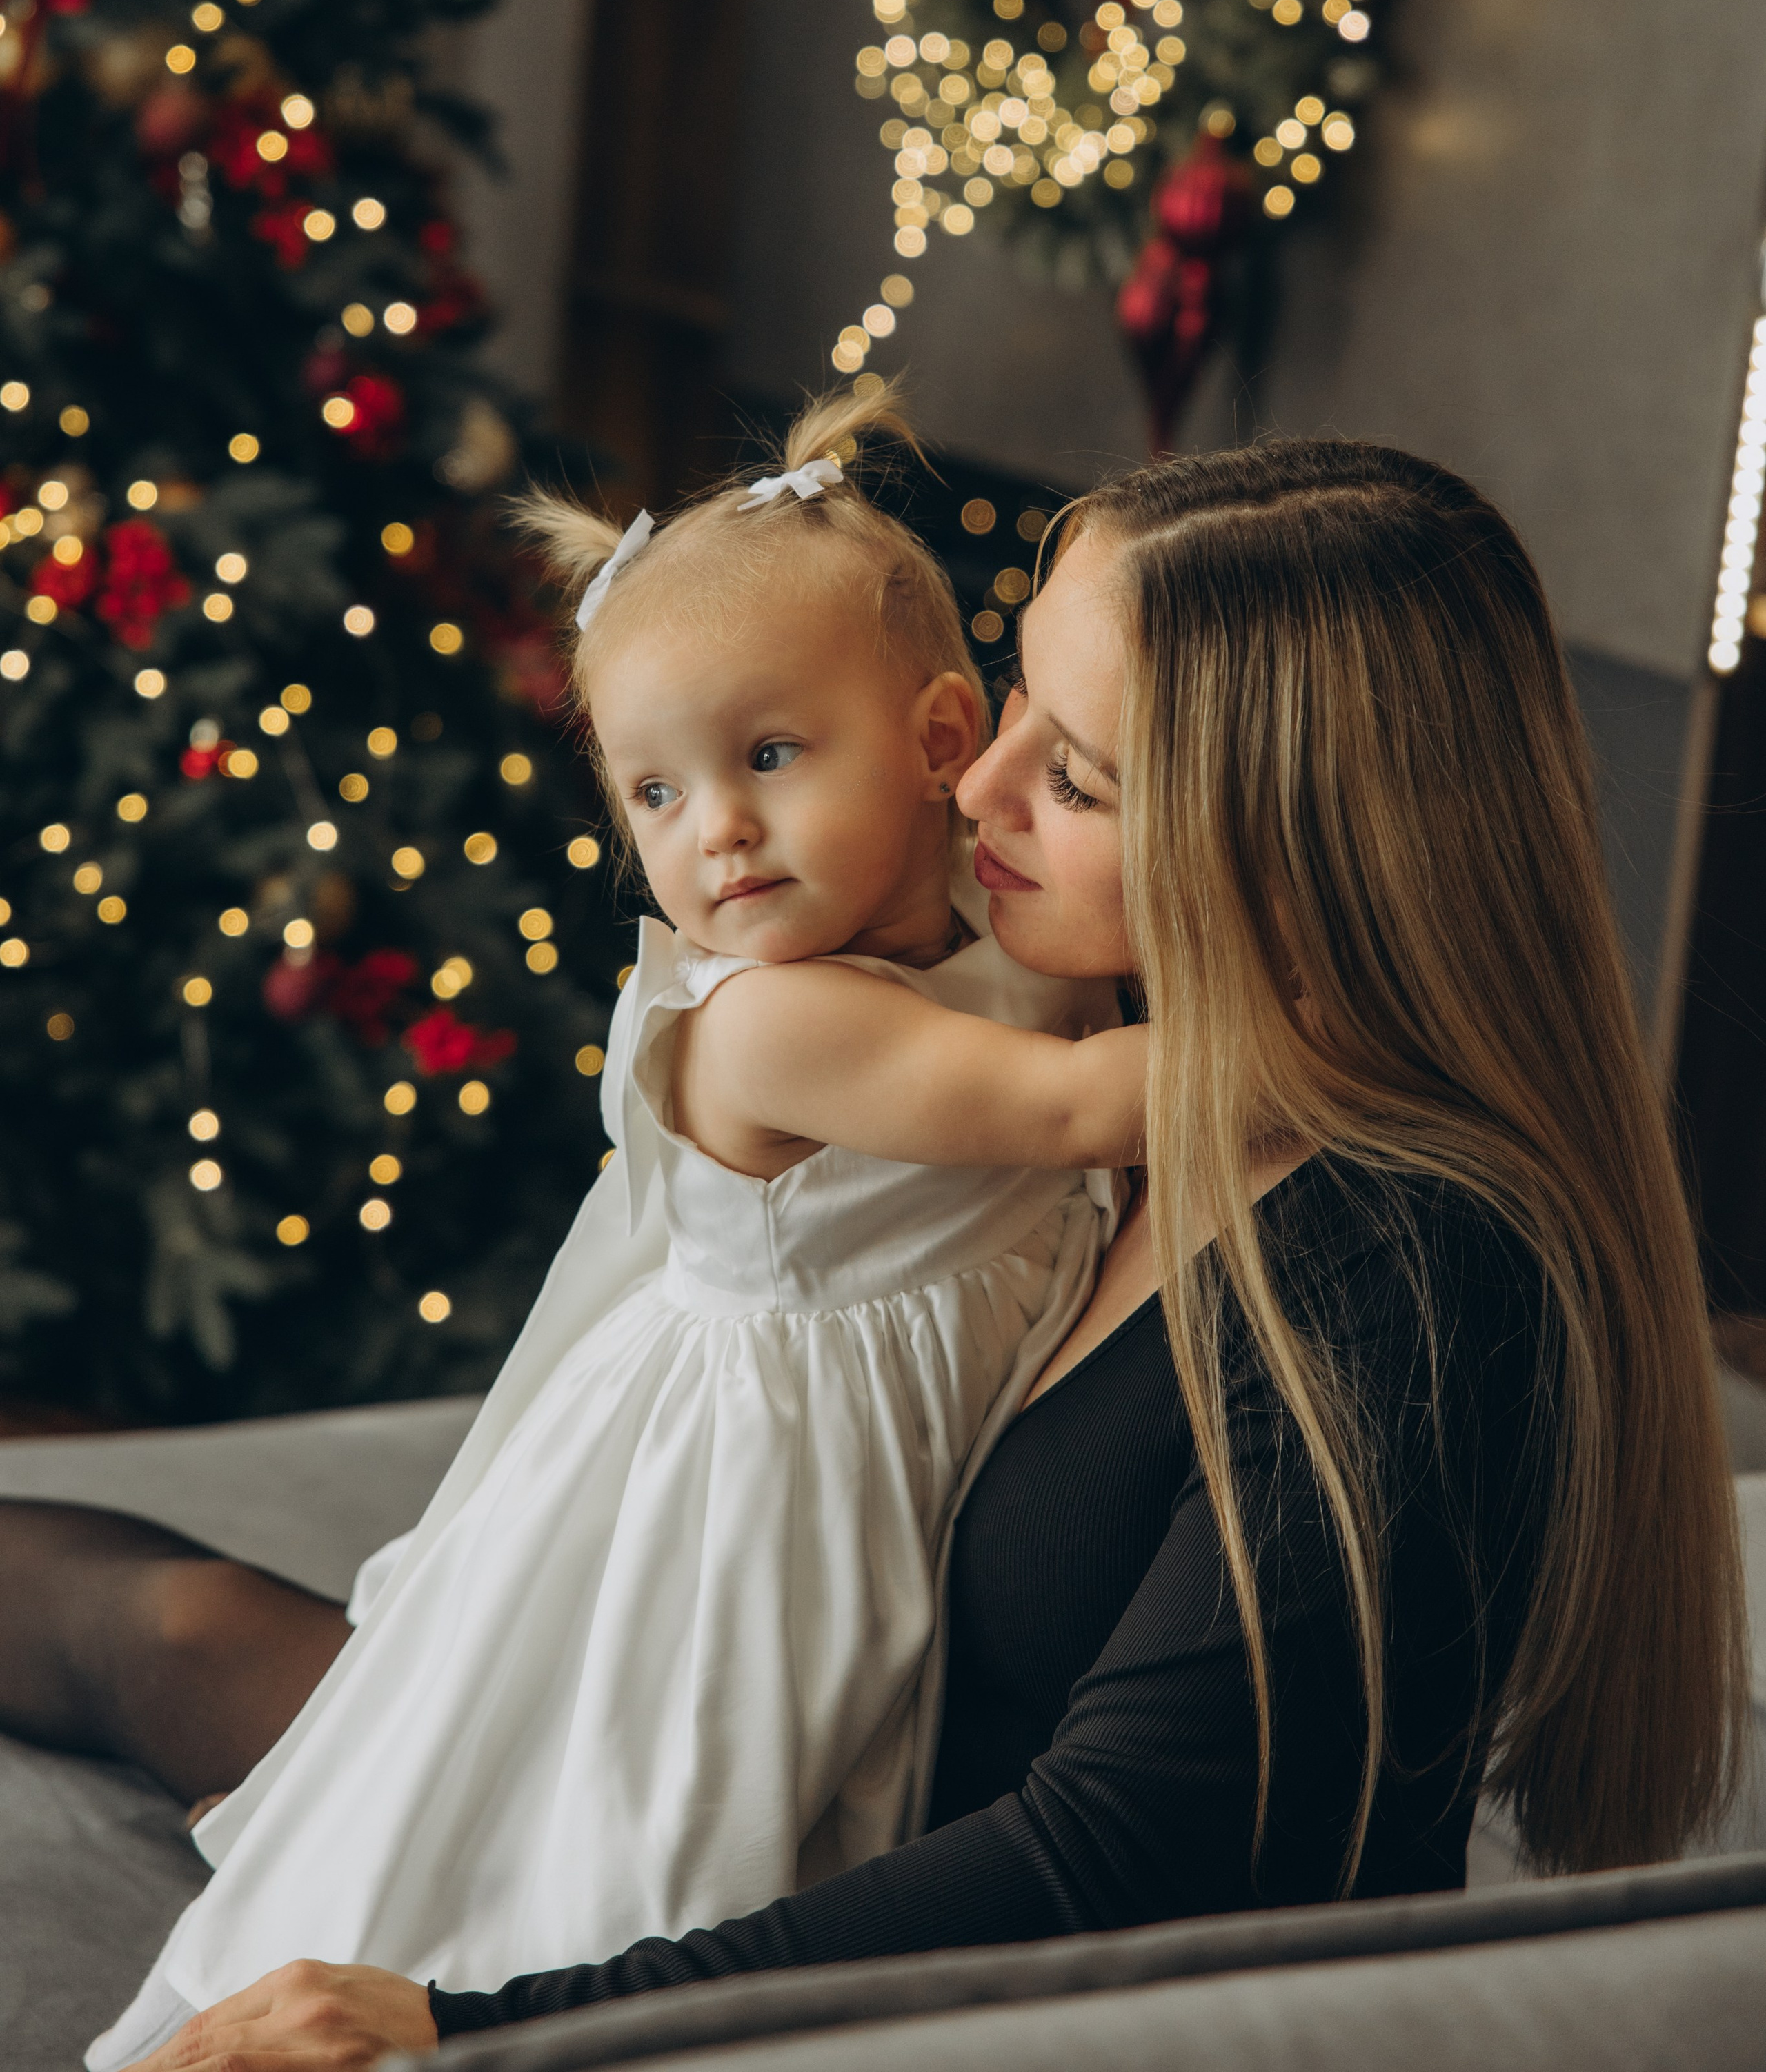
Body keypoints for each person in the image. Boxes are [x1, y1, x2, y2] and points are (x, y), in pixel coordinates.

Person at [121, 433, 1752, 2072]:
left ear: (1296, 842)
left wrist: (470, 2026)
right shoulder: (1111, 1034)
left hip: (998, 1998)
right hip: (773, 1722)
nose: (971, 783)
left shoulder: (1401, 1265)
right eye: (1014, 697)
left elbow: (1111, 1860)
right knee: (202, 1644)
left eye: (1077, 774)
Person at [70, 387, 1150, 2066]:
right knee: (632, 1834)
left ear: (944, 738)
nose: (711, 830)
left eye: (769, 757)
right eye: (654, 794)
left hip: (877, 1479)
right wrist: (1362, 1012)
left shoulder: (1024, 946)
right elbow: (1084, 1110)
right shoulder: (772, 1023)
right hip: (731, 1509)